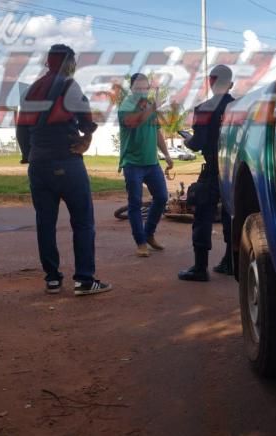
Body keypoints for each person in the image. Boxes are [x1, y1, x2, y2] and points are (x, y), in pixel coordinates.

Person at [16, 44, 111, 296]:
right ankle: (84, 280)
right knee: (82, 222)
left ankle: (52, 280)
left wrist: (29, 155)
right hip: (67, 162)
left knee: (45, 223)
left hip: (38, 166)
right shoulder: (70, 85)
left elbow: (21, 129)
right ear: (69, 62)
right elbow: (87, 120)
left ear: (48, 62)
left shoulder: (30, 90)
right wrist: (87, 134)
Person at [178, 65, 236, 282]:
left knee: (203, 214)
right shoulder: (239, 107)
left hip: (212, 169)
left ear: (211, 83)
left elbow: (198, 143)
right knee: (232, 215)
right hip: (234, 170)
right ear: (230, 84)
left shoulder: (204, 108)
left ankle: (200, 268)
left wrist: (187, 140)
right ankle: (230, 262)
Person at [117, 73, 173, 257]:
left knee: (162, 198)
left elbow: (157, 133)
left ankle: (149, 234)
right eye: (138, 88)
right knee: (135, 203)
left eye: (145, 88)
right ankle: (140, 242)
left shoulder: (150, 107)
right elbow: (136, 121)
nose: (142, 91)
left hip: (152, 163)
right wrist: (154, 107)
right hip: (132, 163)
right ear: (131, 89)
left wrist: (167, 155)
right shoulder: (125, 107)